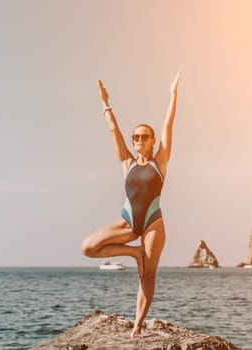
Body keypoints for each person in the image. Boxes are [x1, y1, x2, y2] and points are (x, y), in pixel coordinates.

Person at [81, 72, 180, 338]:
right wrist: (105, 103)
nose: (138, 140)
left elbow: (168, 125)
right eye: (135, 136)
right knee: (88, 248)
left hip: (153, 224)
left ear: (152, 140)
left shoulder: (160, 162)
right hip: (127, 222)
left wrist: (173, 95)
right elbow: (114, 130)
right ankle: (133, 253)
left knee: (147, 276)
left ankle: (137, 325)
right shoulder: (127, 162)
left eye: (143, 136)